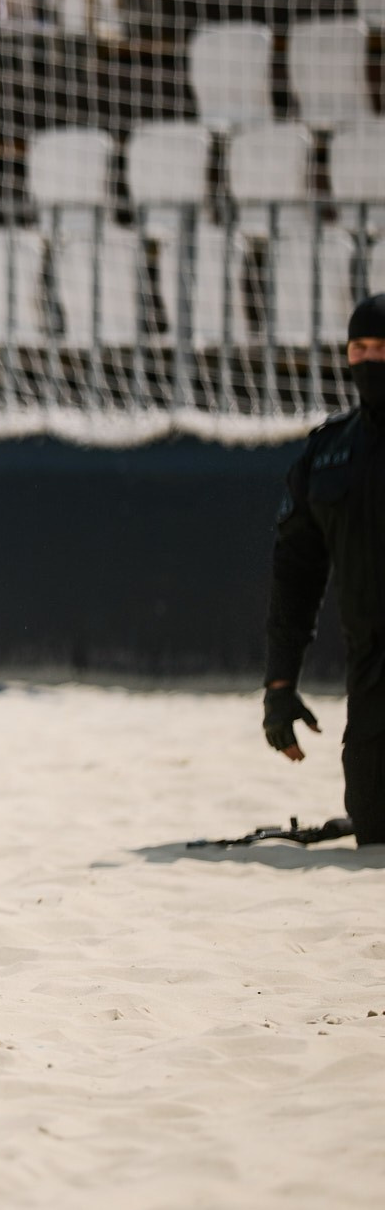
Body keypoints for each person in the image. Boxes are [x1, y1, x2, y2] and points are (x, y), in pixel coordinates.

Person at [263, 296, 385, 846]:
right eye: (361, 349)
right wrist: (280, 685)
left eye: (384, 349)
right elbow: (295, 577)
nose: (371, 361)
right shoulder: (328, 453)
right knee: (373, 819)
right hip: (373, 677)